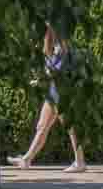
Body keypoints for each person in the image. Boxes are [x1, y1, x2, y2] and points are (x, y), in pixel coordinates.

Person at [18, 25, 86, 172]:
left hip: (63, 93)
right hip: (53, 93)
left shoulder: (63, 47)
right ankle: (26, 159)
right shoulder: (50, 47)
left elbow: (60, 71)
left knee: (71, 128)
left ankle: (80, 162)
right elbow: (50, 72)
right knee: (42, 126)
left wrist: (45, 76)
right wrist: (40, 80)